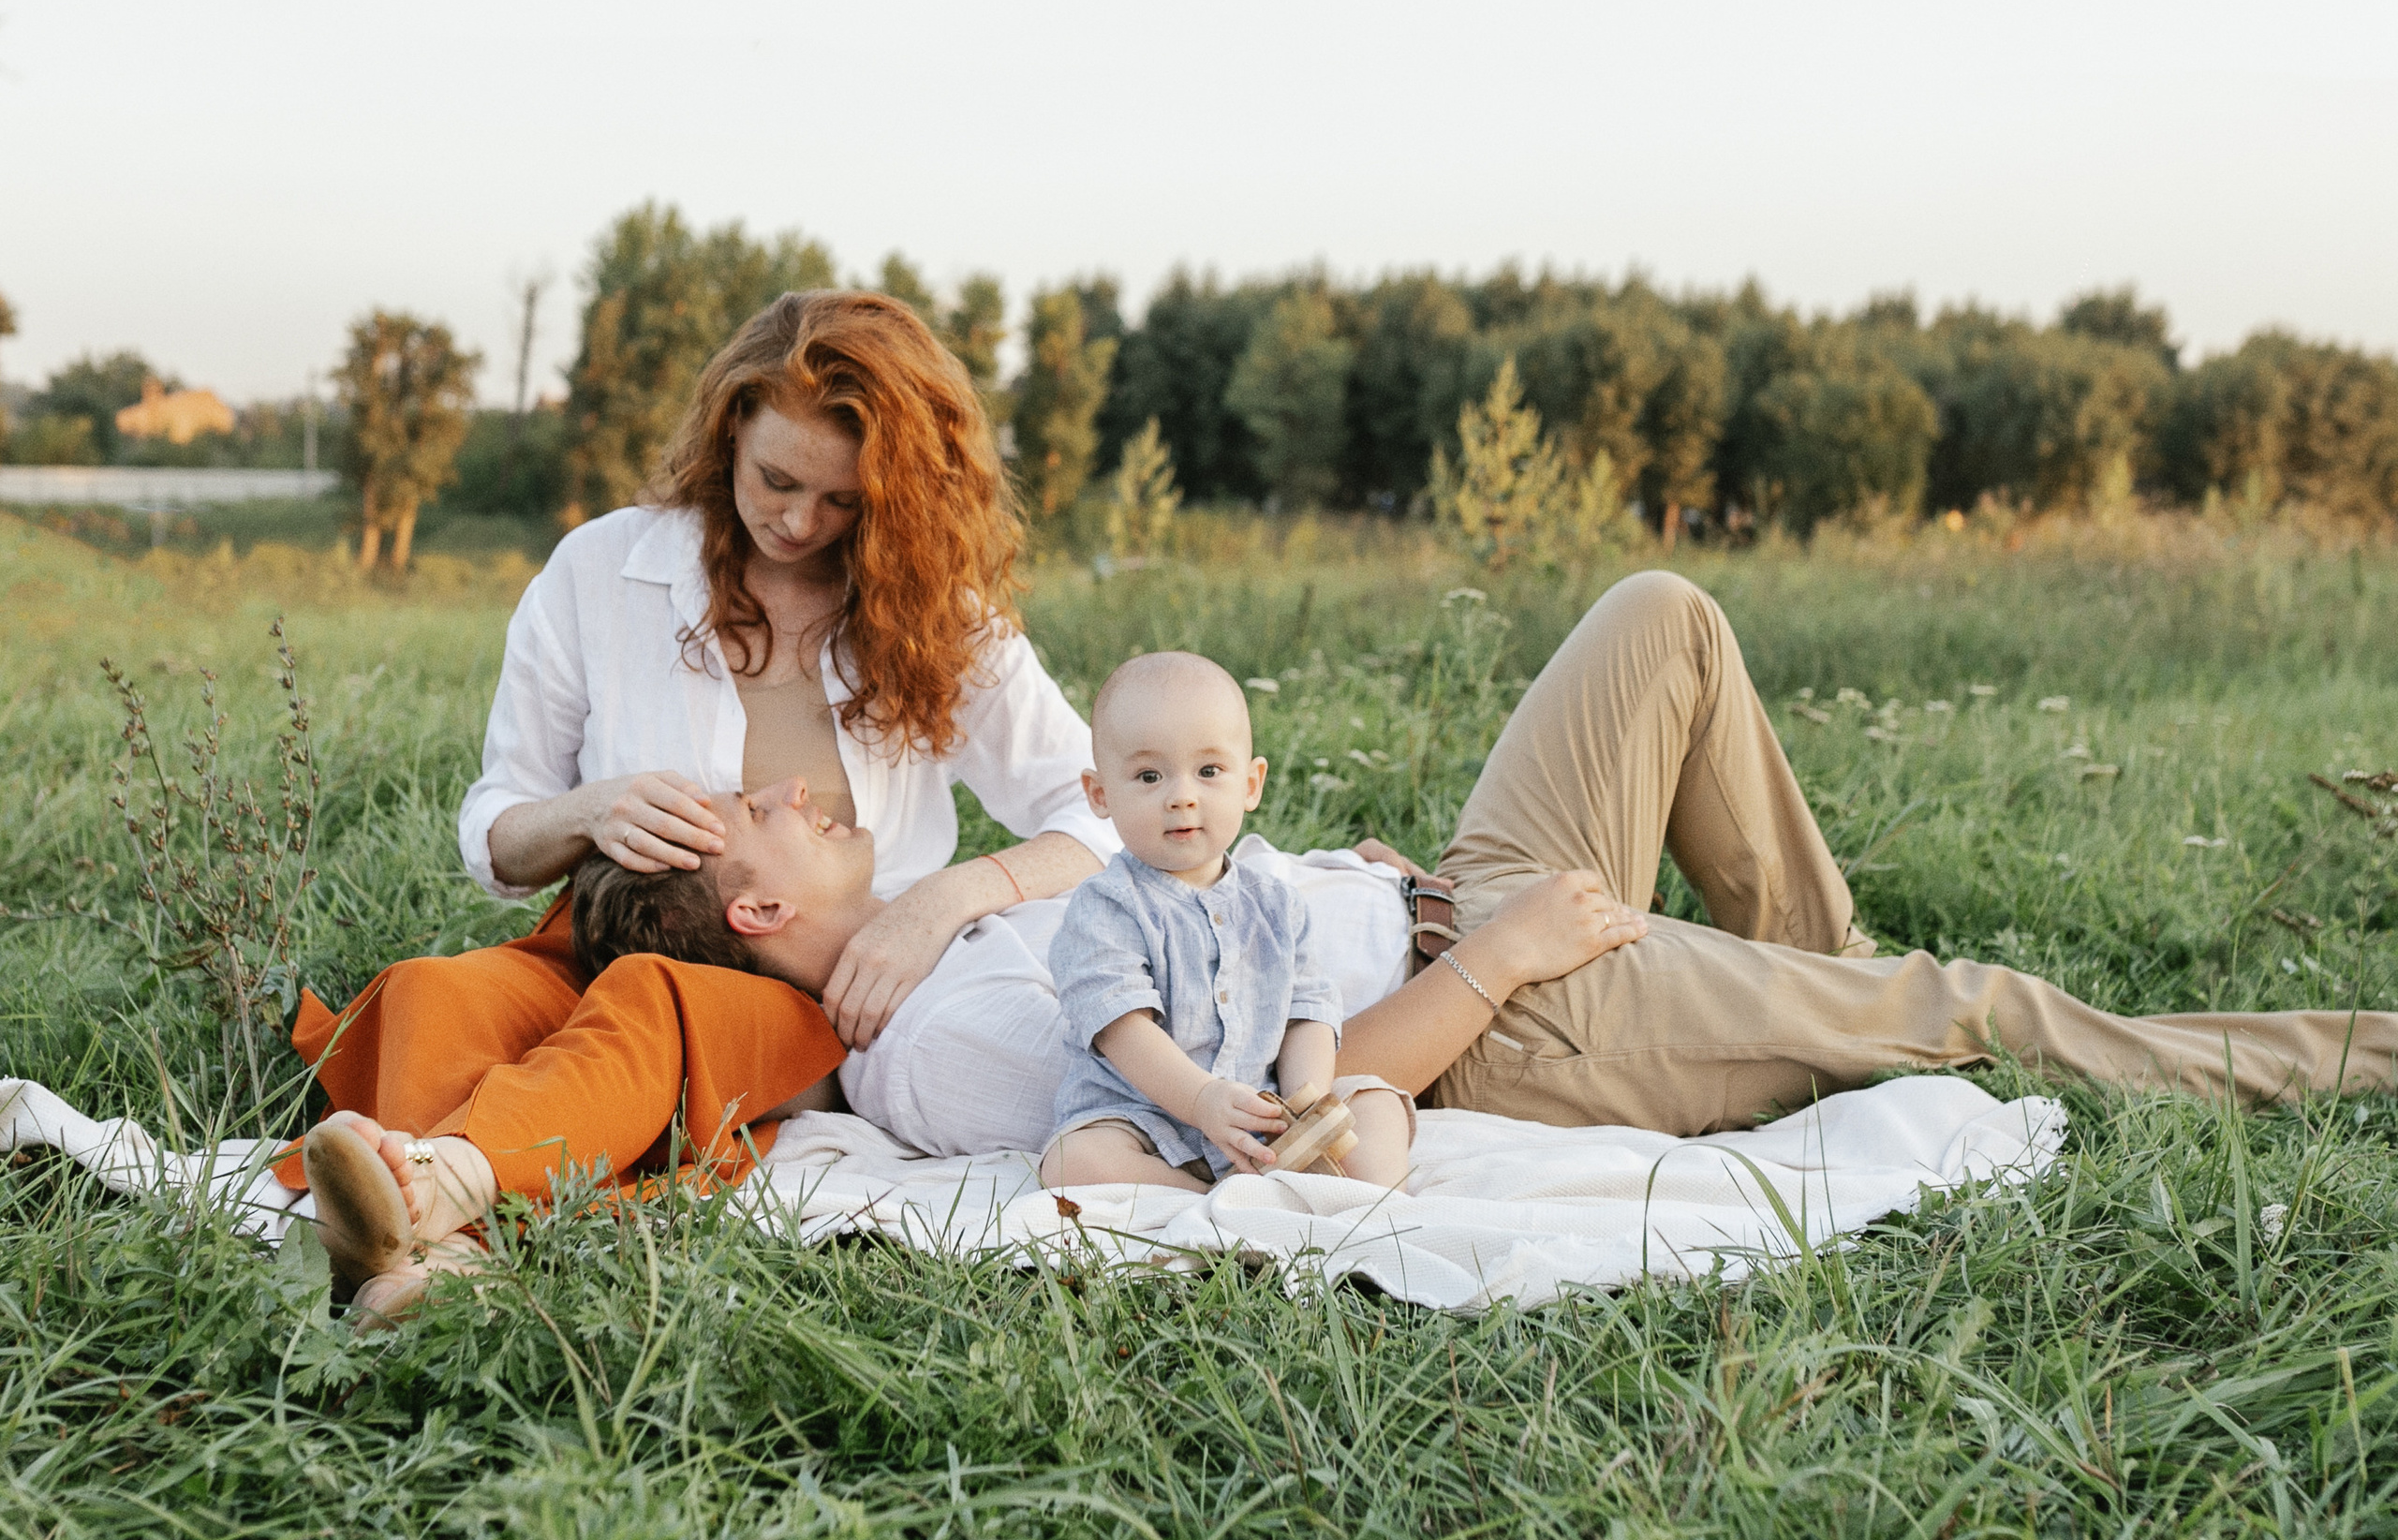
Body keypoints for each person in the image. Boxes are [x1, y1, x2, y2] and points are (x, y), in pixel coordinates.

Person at [577, 570, 2398, 1158]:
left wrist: (1340, 875)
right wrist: (1505, 960)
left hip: (1448, 886)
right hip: (1517, 1014)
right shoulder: (948, 1046)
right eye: (751, 804)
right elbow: (1284, 1107)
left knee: (1657, 617)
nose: (793, 783)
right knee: (1973, 1002)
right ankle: (2350, 1053)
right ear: (748, 906)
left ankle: (1833, 1002)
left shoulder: (945, 923)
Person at [287, 289, 1117, 1314]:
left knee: (652, 1008)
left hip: (806, 988)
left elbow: (1104, 811)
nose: (798, 521)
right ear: (729, 429)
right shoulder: (602, 570)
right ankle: (421, 1228)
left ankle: (443, 1207)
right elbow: (496, 828)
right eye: (776, 479)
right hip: (602, 935)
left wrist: (940, 903)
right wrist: (588, 811)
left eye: (844, 501)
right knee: (432, 989)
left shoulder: (939, 619)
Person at [1038, 653, 1414, 1192]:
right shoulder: (1105, 907)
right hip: (1148, 1123)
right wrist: (1201, 1100)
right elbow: (1123, 1028)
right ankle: (1219, 1202)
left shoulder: (1278, 906)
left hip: (1261, 1114)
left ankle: (1360, 1203)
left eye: (1209, 771)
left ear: (1251, 784)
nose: (1182, 796)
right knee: (1075, 1162)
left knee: (1379, 1102)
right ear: (1100, 795)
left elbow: (1306, 1015)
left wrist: (1304, 1103)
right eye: (1149, 775)